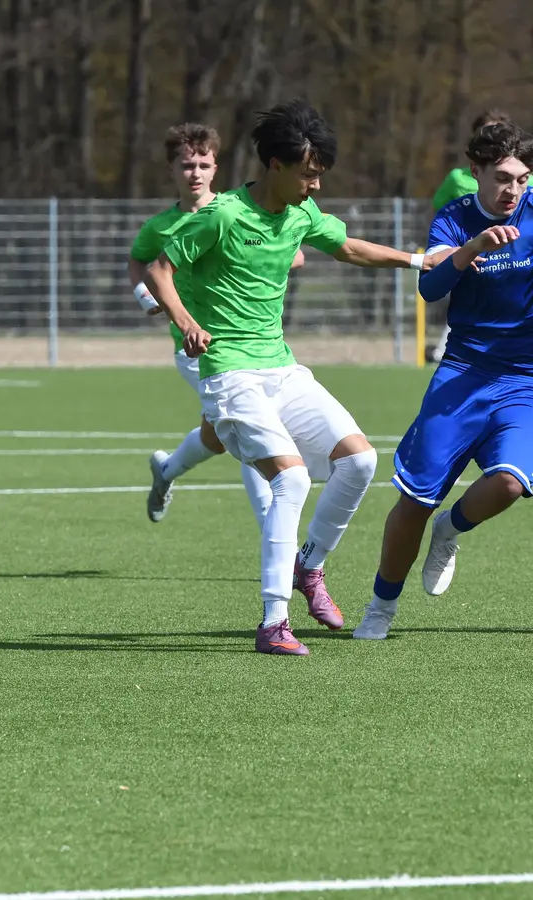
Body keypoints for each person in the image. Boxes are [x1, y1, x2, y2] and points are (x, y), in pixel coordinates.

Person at [144, 99, 449, 656]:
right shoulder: (223, 215)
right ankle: (273, 622)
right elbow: (158, 267)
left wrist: (417, 261)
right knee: (291, 478)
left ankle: (310, 567)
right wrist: (185, 321)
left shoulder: (302, 213)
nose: (314, 184)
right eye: (307, 172)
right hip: (228, 373)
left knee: (359, 460)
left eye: (319, 174)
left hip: (281, 369)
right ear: (274, 166)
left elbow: (349, 247)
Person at [353, 122, 533, 641]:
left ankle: (453, 528)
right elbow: (430, 286)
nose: (513, 189)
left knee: (512, 482)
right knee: (414, 503)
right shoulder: (453, 219)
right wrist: (471, 249)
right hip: (463, 373)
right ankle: (381, 607)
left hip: (530, 376)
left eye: (521, 178)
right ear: (475, 172)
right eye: (502, 177)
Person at [133, 124, 307, 528]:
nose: (195, 172)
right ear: (172, 170)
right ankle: (273, 529)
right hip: (196, 348)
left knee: (215, 438)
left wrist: (268, 257)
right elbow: (141, 261)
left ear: (215, 168)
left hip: (251, 343)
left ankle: (167, 470)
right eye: (186, 165)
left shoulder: (235, 210)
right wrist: (144, 295)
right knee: (253, 427)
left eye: (203, 164)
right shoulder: (159, 226)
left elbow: (293, 254)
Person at [427, 109, 533, 362]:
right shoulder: (458, 177)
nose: (512, 189)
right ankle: (451, 353)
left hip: (511, 250)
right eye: (486, 132)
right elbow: (441, 209)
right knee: (469, 302)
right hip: (471, 251)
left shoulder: (527, 183)